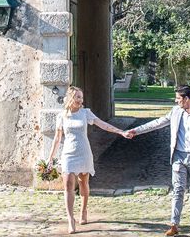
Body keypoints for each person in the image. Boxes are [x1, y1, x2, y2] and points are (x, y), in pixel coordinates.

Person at [126, 84, 190, 236]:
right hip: (178, 156)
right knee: (178, 190)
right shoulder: (176, 112)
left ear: (186, 99)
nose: (176, 101)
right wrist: (136, 131)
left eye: (178, 98)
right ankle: (174, 224)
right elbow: (157, 123)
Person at [47, 85, 130, 234]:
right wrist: (50, 158)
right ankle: (70, 219)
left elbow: (102, 124)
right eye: (78, 97)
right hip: (68, 154)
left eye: (82, 97)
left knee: (83, 183)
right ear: (71, 98)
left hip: (84, 153)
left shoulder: (85, 113)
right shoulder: (62, 116)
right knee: (68, 185)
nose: (80, 100)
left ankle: (83, 211)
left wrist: (120, 131)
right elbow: (57, 139)